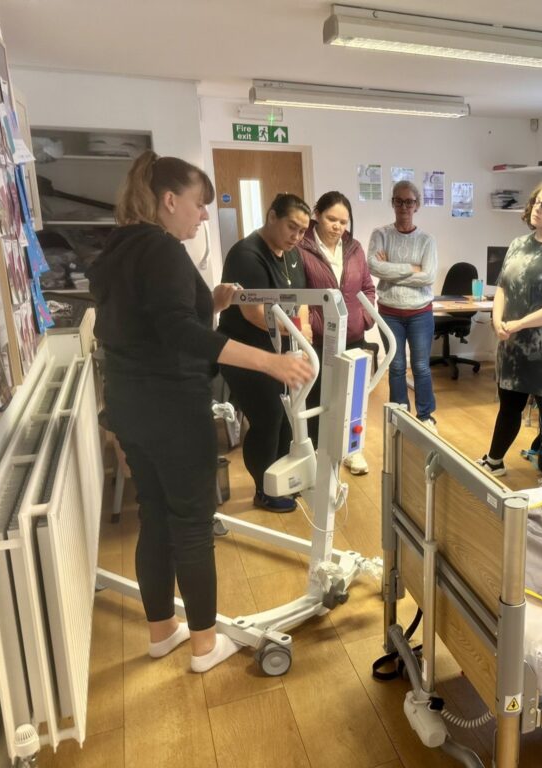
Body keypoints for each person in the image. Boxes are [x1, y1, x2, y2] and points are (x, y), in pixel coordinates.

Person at [87, 151, 312, 673]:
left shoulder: (117, 247)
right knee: (191, 523)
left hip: (130, 406)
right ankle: (206, 646)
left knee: (157, 515)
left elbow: (147, 328)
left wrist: (210, 302)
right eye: (198, 204)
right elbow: (181, 337)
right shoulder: (162, 249)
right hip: (171, 407)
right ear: (169, 200)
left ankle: (163, 631)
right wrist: (272, 361)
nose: (204, 215)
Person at [476, 180, 542, 487]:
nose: (539, 208)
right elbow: (504, 288)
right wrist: (497, 320)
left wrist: (520, 323)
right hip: (513, 345)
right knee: (509, 404)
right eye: (538, 201)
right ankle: (494, 460)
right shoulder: (518, 244)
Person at [218, 193, 314, 512]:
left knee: (288, 415)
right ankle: (264, 489)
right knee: (268, 417)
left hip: (282, 349)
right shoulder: (246, 255)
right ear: (272, 216)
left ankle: (282, 478)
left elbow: (299, 299)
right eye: (292, 227)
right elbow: (255, 313)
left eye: (302, 230)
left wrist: (304, 338)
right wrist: (299, 330)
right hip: (245, 351)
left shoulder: (293, 254)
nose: (297, 236)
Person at [296, 190, 376, 474]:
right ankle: (320, 453)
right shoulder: (302, 248)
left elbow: (367, 286)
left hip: (353, 334)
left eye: (343, 221)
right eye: (331, 219)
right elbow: (299, 293)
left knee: (353, 396)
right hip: (319, 337)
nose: (338, 227)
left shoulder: (354, 248)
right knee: (320, 396)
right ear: (317, 215)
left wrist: (364, 318)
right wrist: (306, 326)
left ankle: (352, 451)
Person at [367, 180, 438, 430]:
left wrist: (391, 270)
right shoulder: (381, 235)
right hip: (390, 313)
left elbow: (429, 277)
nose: (404, 206)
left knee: (420, 366)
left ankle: (426, 416)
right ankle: (399, 414)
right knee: (396, 365)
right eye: (399, 201)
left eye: (409, 202)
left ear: (416, 205)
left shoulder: (427, 241)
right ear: (393, 203)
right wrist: (411, 268)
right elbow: (374, 267)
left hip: (420, 313)